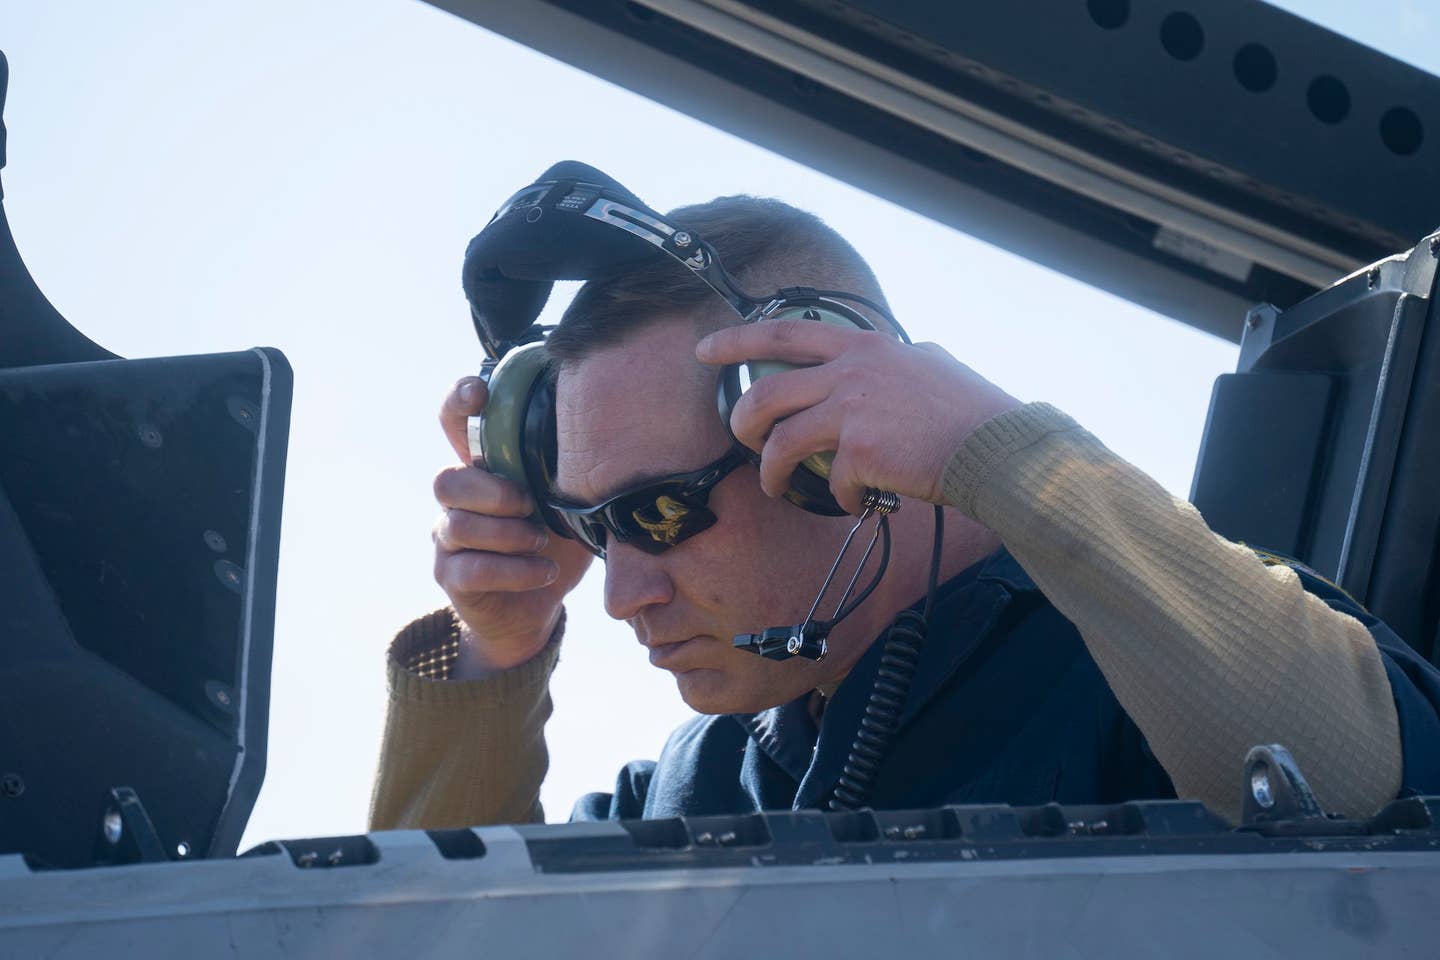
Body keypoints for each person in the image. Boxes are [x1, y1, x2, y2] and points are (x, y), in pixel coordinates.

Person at [370, 195, 1440, 831]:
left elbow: (1362, 816)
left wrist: (1007, 454)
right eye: (592, 529)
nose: (621, 595)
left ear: (826, 440)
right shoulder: (710, 784)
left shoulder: (1144, 652)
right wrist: (494, 656)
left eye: (654, 515)